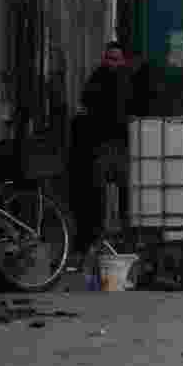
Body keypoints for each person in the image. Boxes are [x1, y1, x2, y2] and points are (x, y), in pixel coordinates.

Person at [72, 42, 134, 266]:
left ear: (123, 61)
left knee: (126, 195)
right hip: (102, 147)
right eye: (109, 59)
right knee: (98, 195)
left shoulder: (121, 80)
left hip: (120, 146)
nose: (112, 64)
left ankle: (125, 239)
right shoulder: (101, 79)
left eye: (116, 60)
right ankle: (98, 238)